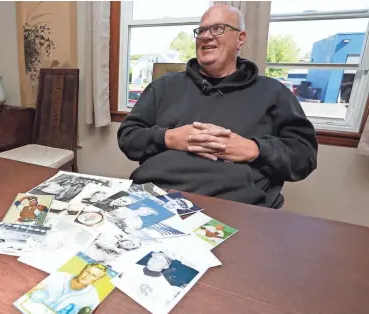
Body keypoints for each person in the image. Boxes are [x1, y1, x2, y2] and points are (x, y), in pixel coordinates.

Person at [117, 4, 318, 209]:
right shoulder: (165, 86)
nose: (206, 36)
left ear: (240, 38)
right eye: (202, 30)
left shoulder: (273, 93)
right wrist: (169, 138)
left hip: (235, 207)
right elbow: (128, 137)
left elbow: (304, 157)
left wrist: (253, 149)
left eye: (217, 29)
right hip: (153, 197)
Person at [30, 263, 108, 314]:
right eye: (87, 272)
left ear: (97, 279)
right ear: (81, 270)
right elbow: (32, 291)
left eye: (93, 275)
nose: (87, 276)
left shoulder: (93, 299)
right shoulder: (59, 276)